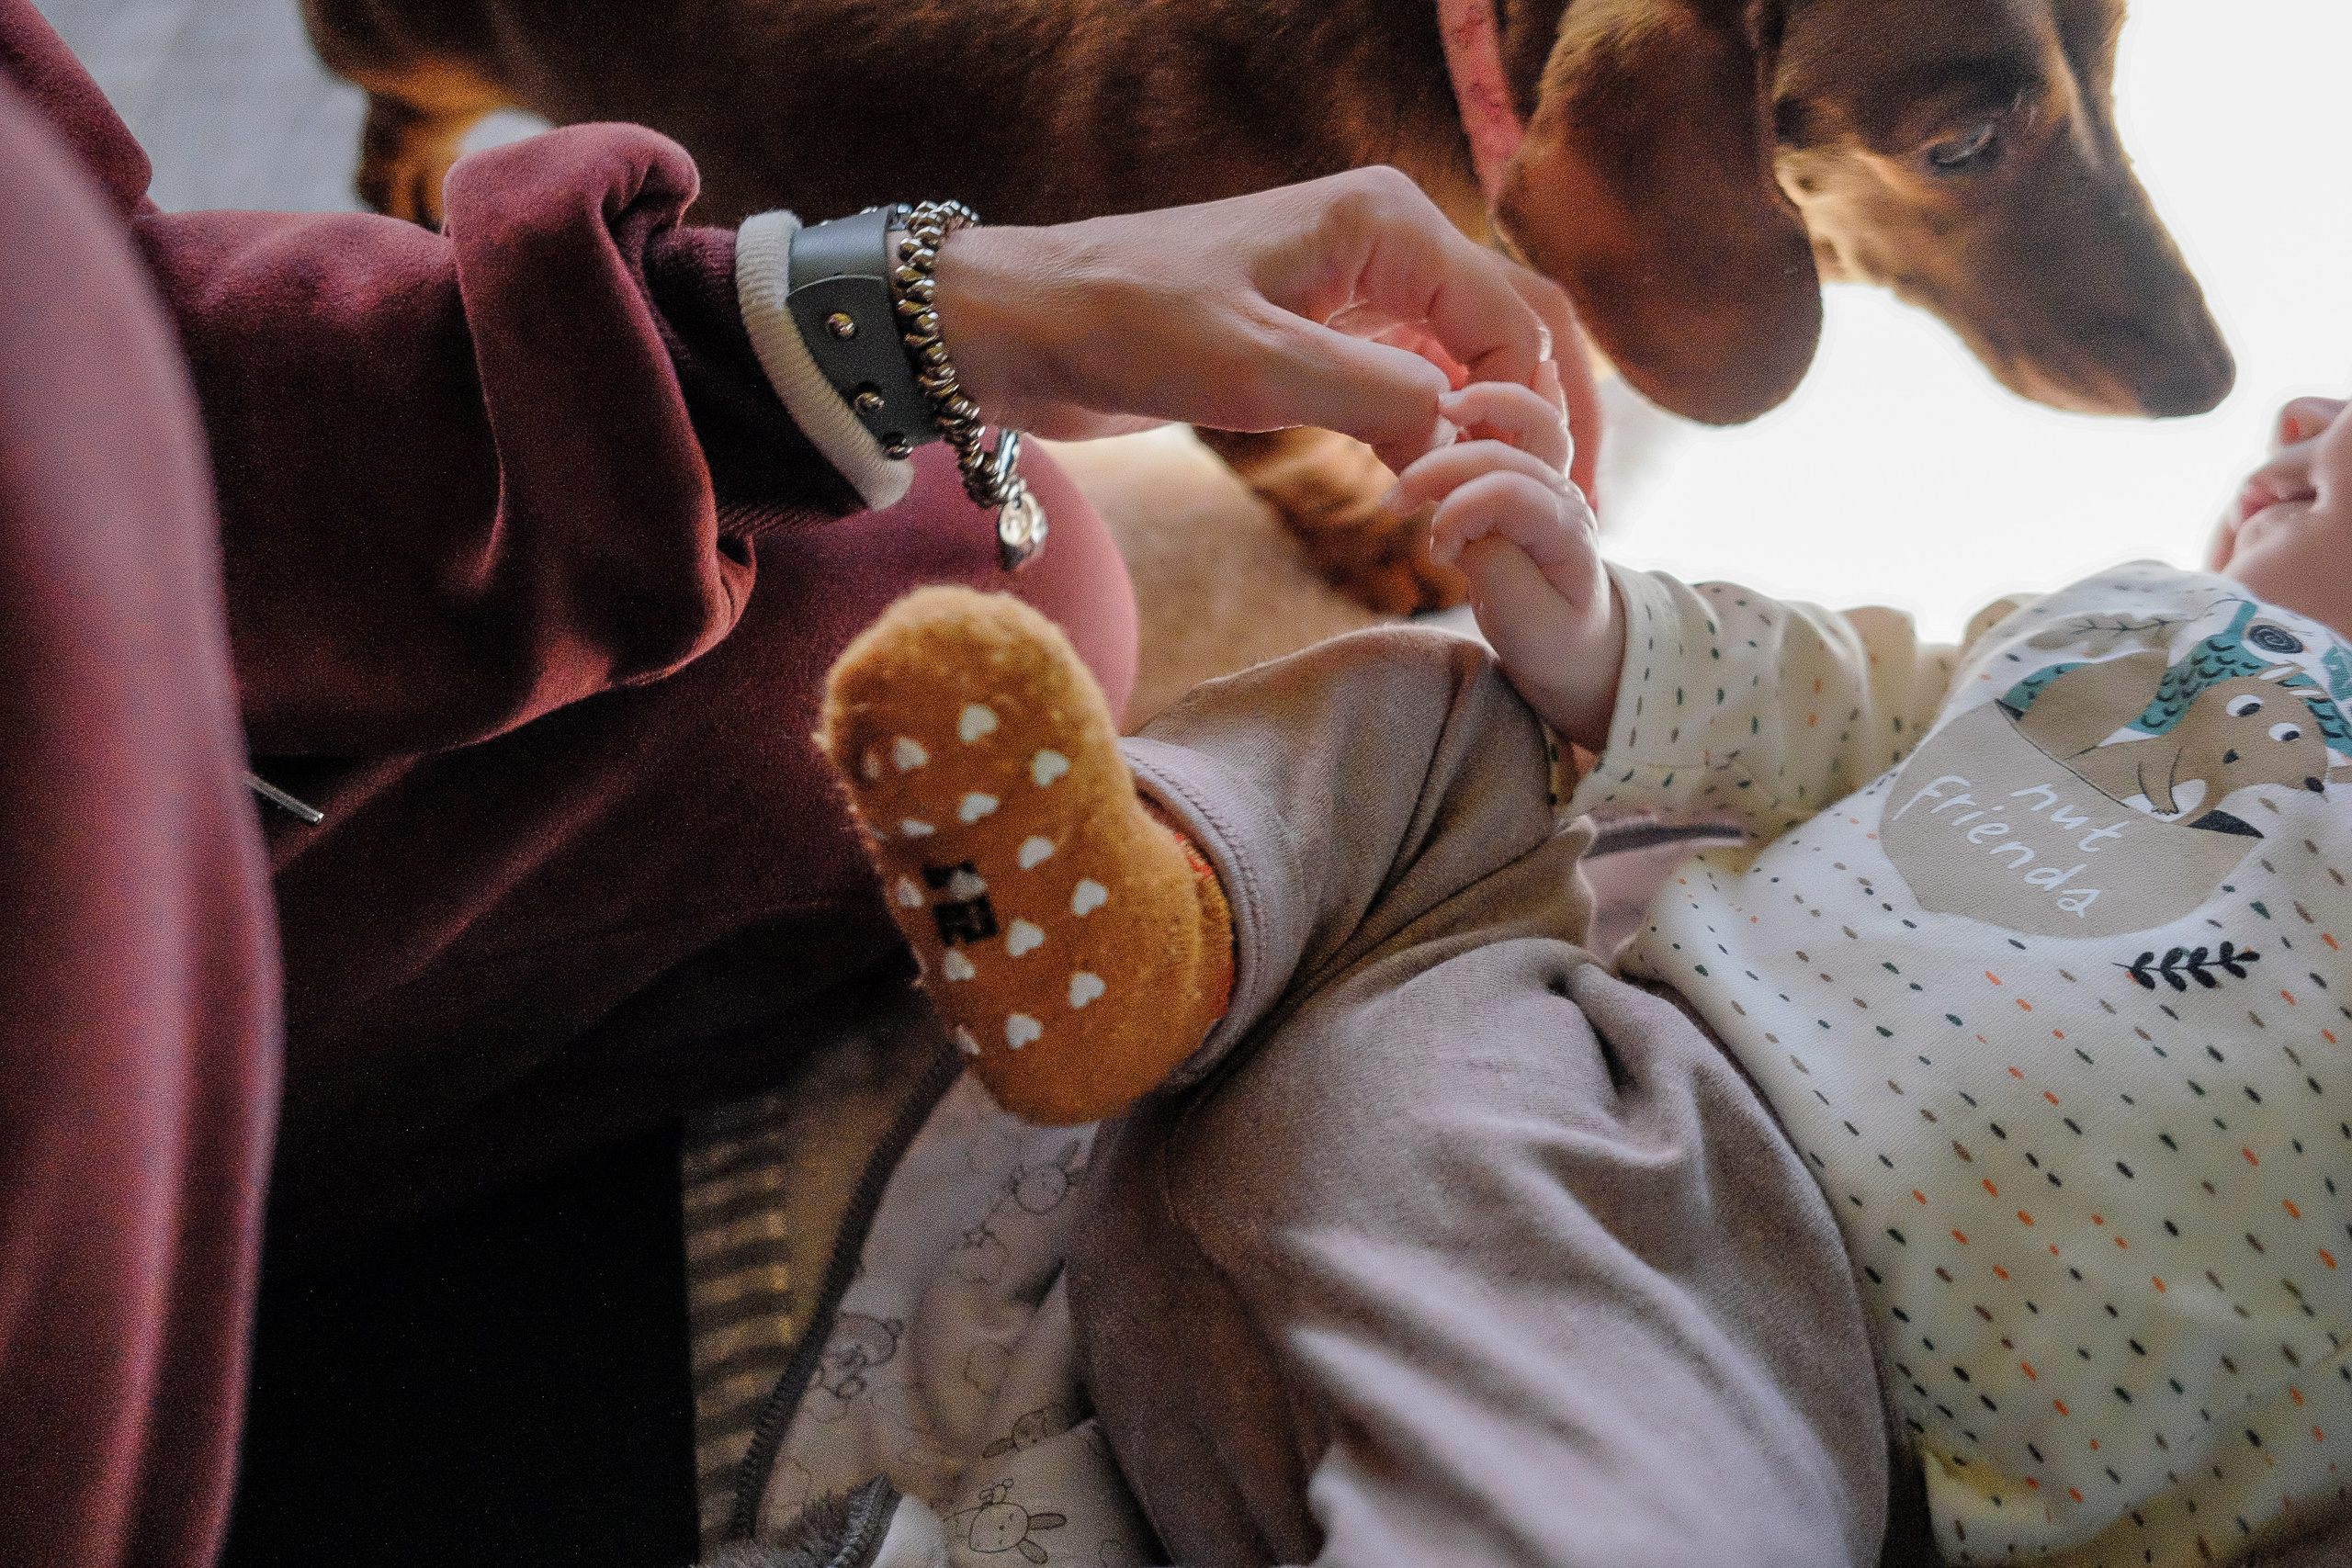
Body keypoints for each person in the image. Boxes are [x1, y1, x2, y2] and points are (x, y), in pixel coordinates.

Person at [0, 0, 1593, 1560]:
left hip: (123, 761)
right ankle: (1175, 925)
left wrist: (904, 314)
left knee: (967, 573)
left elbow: (116, 338)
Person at [808, 377, 2352, 1566]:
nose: (2305, 411)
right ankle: (1145, 929)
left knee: (1639, 1515)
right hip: (1540, 1063)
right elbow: (1820, 694)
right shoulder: (2140, 617)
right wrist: (1600, 634)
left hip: (1749, 1382)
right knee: (1455, 723)